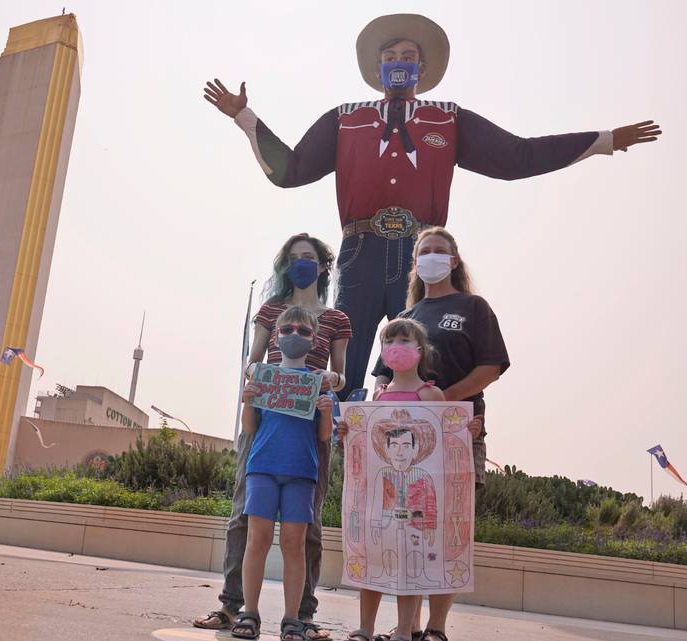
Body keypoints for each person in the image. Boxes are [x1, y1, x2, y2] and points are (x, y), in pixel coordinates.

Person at [203, 13, 661, 400]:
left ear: (422, 69)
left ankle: (416, 466)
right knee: (339, 366)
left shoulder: (449, 117)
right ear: (377, 69)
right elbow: (292, 171)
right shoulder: (347, 119)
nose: (398, 64)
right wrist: (244, 117)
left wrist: (603, 141)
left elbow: (516, 157)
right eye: (389, 58)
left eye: (407, 58)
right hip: (360, 253)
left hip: (420, 258)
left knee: (421, 362)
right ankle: (329, 468)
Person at [195, 233, 350, 640]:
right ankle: (234, 607)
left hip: (309, 430)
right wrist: (254, 380)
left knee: (307, 527)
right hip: (264, 427)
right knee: (244, 517)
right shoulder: (271, 311)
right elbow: (254, 361)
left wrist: (332, 381)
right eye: (294, 258)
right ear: (286, 266)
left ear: (322, 266)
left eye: (308, 257)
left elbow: (342, 373)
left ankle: (302, 614)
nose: (301, 263)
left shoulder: (336, 319)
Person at [370, 227, 509, 641]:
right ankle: (407, 625)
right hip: (404, 445)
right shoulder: (406, 319)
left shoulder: (473, 307)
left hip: (458, 435)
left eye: (439, 251)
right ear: (415, 264)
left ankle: (435, 627)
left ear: (453, 261)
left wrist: (443, 402)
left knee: (449, 529)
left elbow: (491, 366)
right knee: (406, 528)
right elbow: (381, 380)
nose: (431, 256)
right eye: (423, 251)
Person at [338, 318, 481, 641]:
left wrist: (465, 431)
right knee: (375, 560)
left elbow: (446, 443)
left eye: (403, 340)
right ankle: (365, 627)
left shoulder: (431, 395)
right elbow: (365, 447)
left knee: (410, 568)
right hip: (381, 501)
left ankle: (405, 631)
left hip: (417, 505)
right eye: (389, 341)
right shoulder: (379, 397)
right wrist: (347, 432)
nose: (395, 347)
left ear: (420, 350)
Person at [233, 306, 334, 641]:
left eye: (304, 331)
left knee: (294, 545)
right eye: (288, 329)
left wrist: (326, 412)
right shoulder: (263, 377)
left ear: (315, 340)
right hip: (262, 467)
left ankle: (292, 618)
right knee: (256, 540)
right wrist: (248, 400)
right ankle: (249, 612)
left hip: (301, 472)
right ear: (275, 336)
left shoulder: (318, 383)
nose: (295, 335)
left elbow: (323, 437)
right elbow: (250, 428)